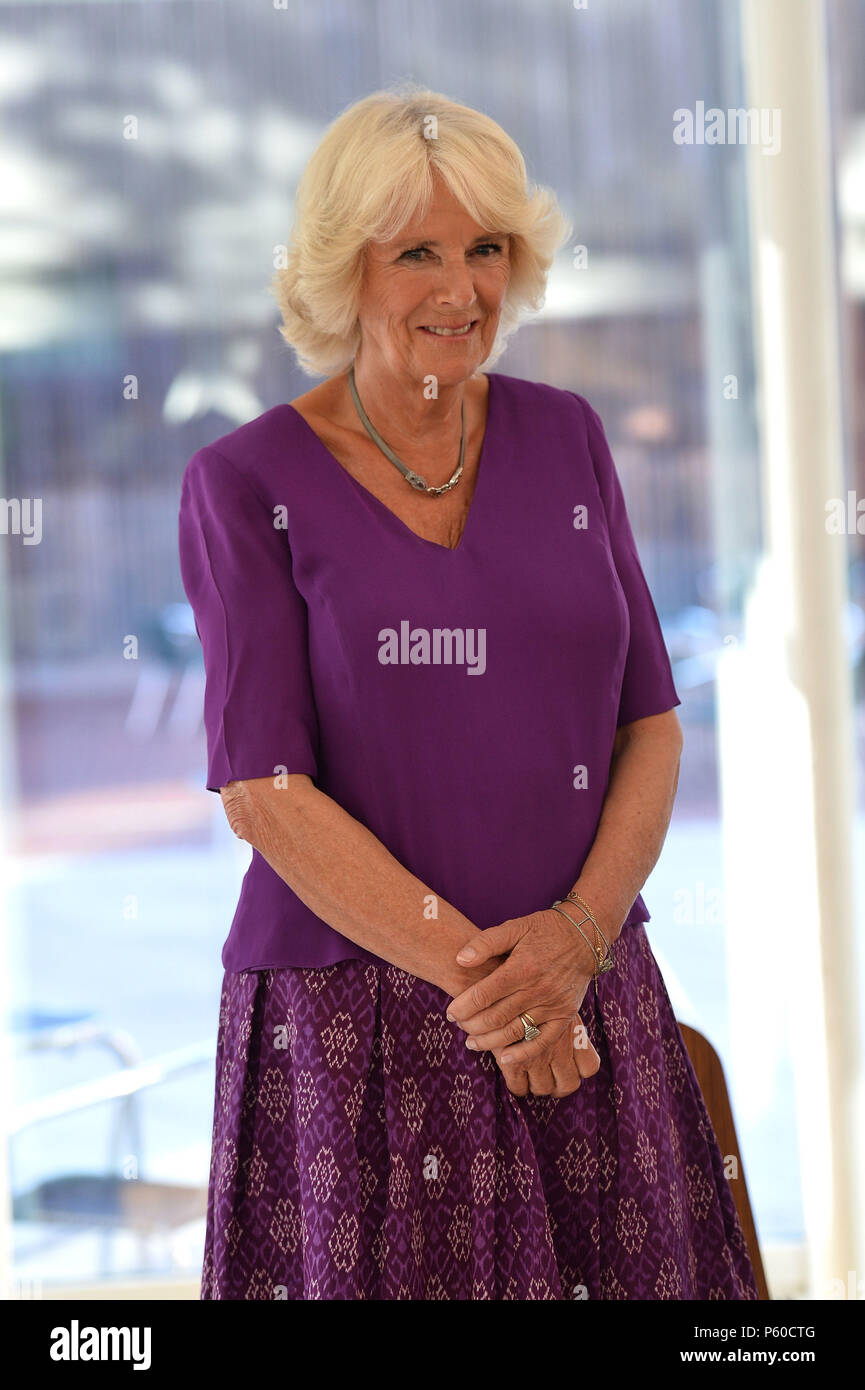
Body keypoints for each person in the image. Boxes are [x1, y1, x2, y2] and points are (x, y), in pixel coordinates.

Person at [178, 82, 760, 1301]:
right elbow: (264, 794)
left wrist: (574, 944)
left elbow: (649, 721)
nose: (461, 289)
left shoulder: (567, 436)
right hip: (366, 1029)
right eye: (418, 253)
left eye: (486, 248)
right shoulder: (244, 482)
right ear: (345, 269)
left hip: (588, 983)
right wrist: (503, 992)